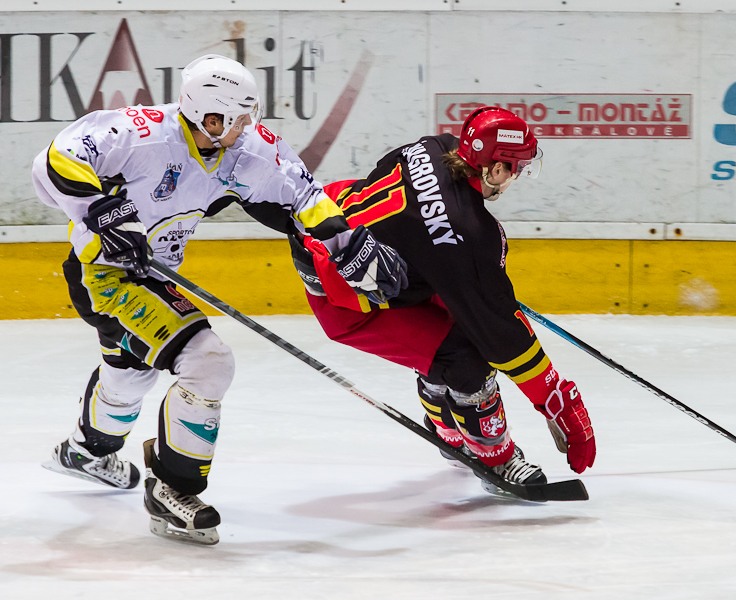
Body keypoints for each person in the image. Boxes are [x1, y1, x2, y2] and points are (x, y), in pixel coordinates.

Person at [32, 54, 407, 544]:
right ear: (210, 118)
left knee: (130, 373)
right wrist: (102, 210)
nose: (249, 126)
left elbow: (302, 194)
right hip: (104, 275)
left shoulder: (244, 149)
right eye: (239, 117)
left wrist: (347, 243)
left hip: (155, 275)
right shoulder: (143, 134)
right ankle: (172, 488)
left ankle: (85, 452)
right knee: (207, 360)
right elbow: (56, 160)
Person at [276, 106, 595, 494]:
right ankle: (493, 457)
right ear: (495, 169)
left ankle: (446, 426)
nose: (517, 176)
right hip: (348, 301)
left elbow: (402, 204)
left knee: (456, 320)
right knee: (464, 357)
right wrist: (554, 396)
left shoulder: (434, 146)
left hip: (327, 227)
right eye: (516, 168)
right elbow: (501, 337)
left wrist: (472, 286)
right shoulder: (468, 236)